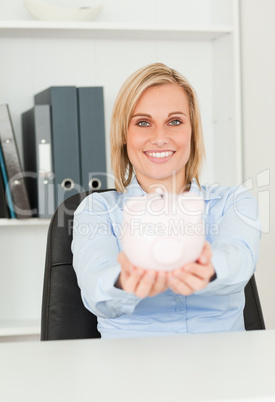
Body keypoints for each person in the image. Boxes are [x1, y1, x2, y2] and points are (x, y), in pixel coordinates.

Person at [72, 63, 261, 339]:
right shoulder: (96, 210)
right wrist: (128, 280)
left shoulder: (232, 202)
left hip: (221, 365)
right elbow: (95, 288)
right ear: (124, 135)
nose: (160, 138)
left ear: (192, 132)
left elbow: (239, 260)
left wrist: (207, 269)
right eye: (143, 122)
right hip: (130, 367)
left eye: (174, 121)